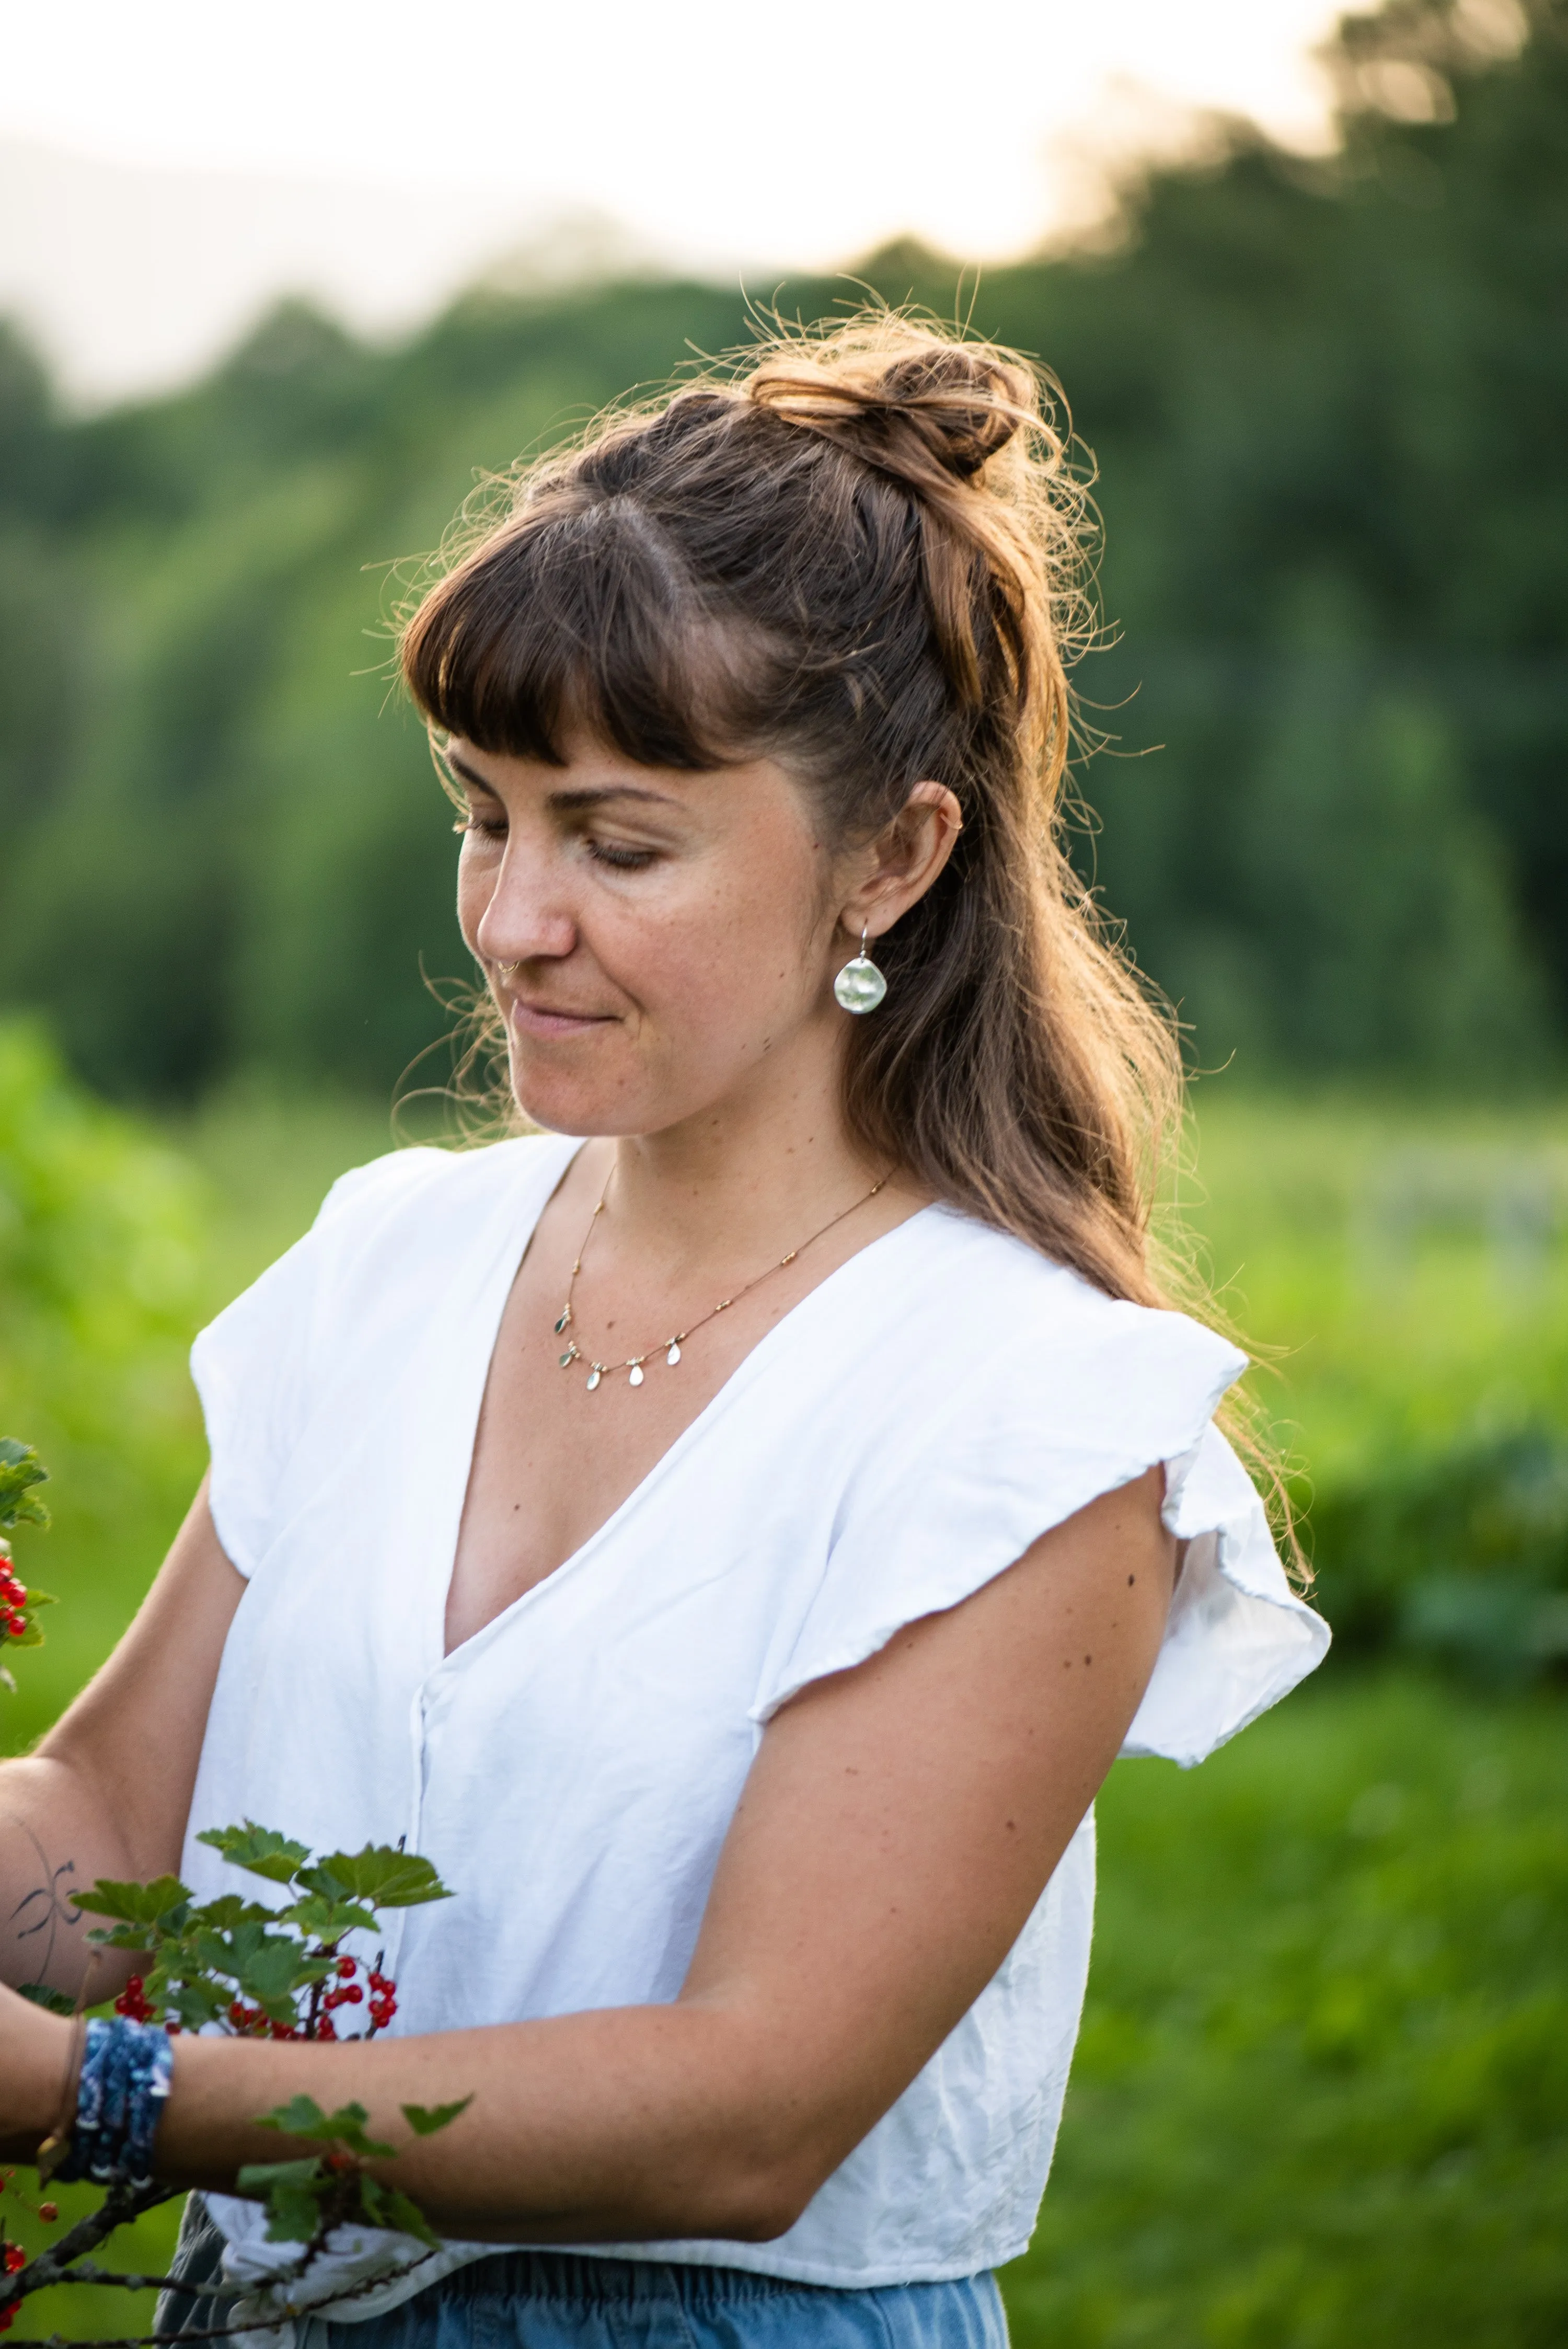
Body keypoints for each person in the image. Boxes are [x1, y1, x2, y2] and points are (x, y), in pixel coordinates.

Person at [0, 314, 1327, 2349]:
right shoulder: (391, 1259)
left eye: (617, 842)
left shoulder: (1032, 1415)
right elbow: (104, 1828)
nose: (515, 916)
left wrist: (96, 2097)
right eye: (481, 812)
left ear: (891, 857)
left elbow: (744, 2115)